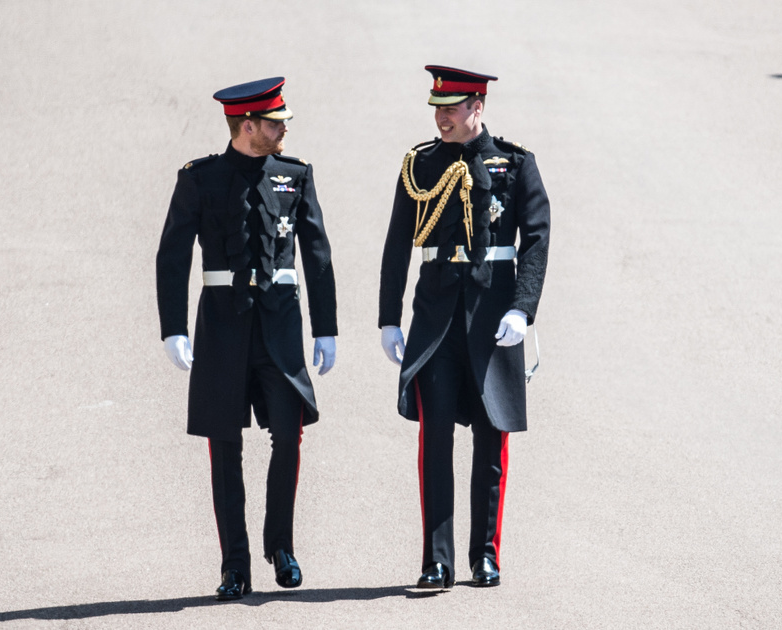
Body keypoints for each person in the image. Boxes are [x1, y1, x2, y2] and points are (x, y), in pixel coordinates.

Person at [156, 77, 338, 601]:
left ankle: (280, 546)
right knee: (225, 446)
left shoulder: (294, 175)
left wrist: (325, 328)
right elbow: (172, 256)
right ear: (247, 126)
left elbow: (317, 254)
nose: (283, 129)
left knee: (289, 434)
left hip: (280, 329)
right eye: (274, 122)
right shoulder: (200, 178)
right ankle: (234, 564)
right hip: (223, 327)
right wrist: (173, 328)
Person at [378, 65, 550, 589]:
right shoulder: (420, 164)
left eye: (450, 108)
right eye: (436, 108)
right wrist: (388, 317)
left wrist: (522, 308)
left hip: (492, 318)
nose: (440, 117)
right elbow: (396, 244)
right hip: (434, 321)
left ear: (477, 106)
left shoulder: (515, 164)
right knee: (434, 444)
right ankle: (436, 560)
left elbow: (537, 239)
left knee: (491, 440)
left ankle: (486, 555)